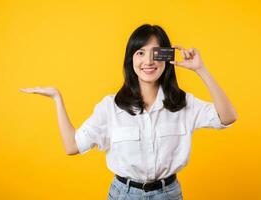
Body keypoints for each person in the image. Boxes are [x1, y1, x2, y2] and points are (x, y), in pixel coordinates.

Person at [20, 24, 238, 200]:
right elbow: (72, 146)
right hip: (123, 195)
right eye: (140, 52)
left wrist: (200, 69)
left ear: (166, 58)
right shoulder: (110, 107)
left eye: (156, 53)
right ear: (130, 59)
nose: (148, 61)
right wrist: (57, 98)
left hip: (168, 195)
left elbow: (228, 117)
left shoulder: (182, 103)